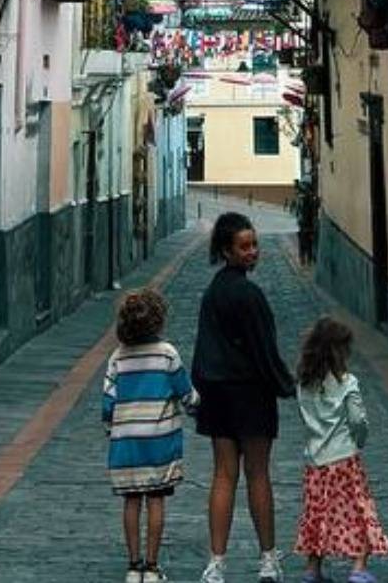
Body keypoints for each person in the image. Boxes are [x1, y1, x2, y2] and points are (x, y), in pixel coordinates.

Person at [192, 211, 296, 583]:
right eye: (245, 246)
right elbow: (264, 349)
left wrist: (201, 389)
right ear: (227, 250)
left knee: (223, 475)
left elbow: (203, 348)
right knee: (258, 474)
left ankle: (216, 563)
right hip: (251, 394)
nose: (253, 252)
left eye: (254, 245)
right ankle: (268, 559)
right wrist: (286, 385)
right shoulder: (250, 295)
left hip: (217, 394)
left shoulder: (213, 293)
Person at [104, 288, 199, 583]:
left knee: (131, 501)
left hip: (127, 444)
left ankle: (133, 566)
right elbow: (186, 392)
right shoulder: (167, 354)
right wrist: (196, 408)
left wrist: (112, 430)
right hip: (159, 442)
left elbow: (108, 403)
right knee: (156, 500)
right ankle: (153, 567)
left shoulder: (118, 358)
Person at [291, 317, 388, 583]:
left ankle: (312, 569)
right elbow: (358, 420)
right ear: (339, 351)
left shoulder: (303, 384)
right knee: (358, 511)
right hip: (345, 459)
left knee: (317, 513)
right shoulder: (347, 383)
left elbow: (305, 417)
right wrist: (359, 440)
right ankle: (358, 568)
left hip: (315, 461)